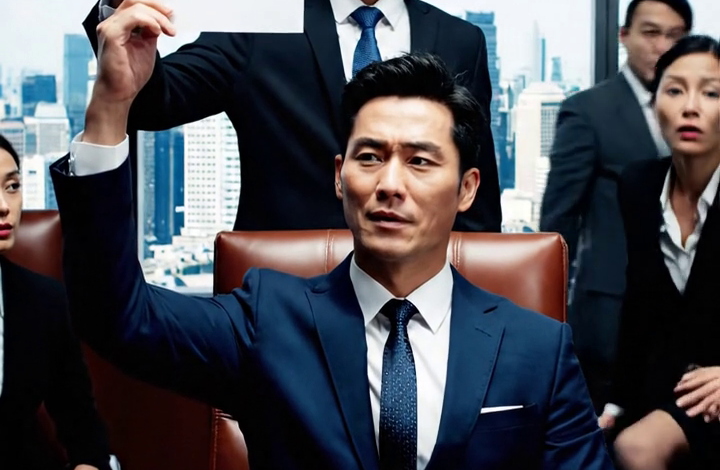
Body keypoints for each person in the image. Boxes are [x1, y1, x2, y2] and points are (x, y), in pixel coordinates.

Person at [49, 6, 612, 469]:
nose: (390, 184)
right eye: (370, 157)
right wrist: (110, 108)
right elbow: (116, 317)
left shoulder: (538, 349)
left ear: (467, 189)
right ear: (339, 177)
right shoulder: (268, 323)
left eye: (420, 161)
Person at [82, 0, 501, 233]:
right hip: (281, 296)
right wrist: (118, 17)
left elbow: (476, 197)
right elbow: (155, 101)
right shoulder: (260, 22)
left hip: (420, 300)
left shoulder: (461, 40)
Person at [539, 0, 692, 411]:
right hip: (609, 313)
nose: (663, 46)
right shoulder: (588, 111)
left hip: (686, 318)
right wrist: (547, 314)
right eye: (651, 33)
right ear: (624, 36)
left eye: (675, 36)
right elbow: (559, 219)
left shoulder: (704, 112)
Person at [597, 35, 720, 469]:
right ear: (654, 105)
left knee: (640, 446)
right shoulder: (639, 185)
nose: (691, 107)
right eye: (675, 90)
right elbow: (640, 307)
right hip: (676, 391)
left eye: (711, 93)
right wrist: (617, 403)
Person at [0, 136, 111, 470]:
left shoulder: (44, 303)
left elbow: (84, 431)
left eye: (12, 187)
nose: (4, 206)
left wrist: (88, 464)